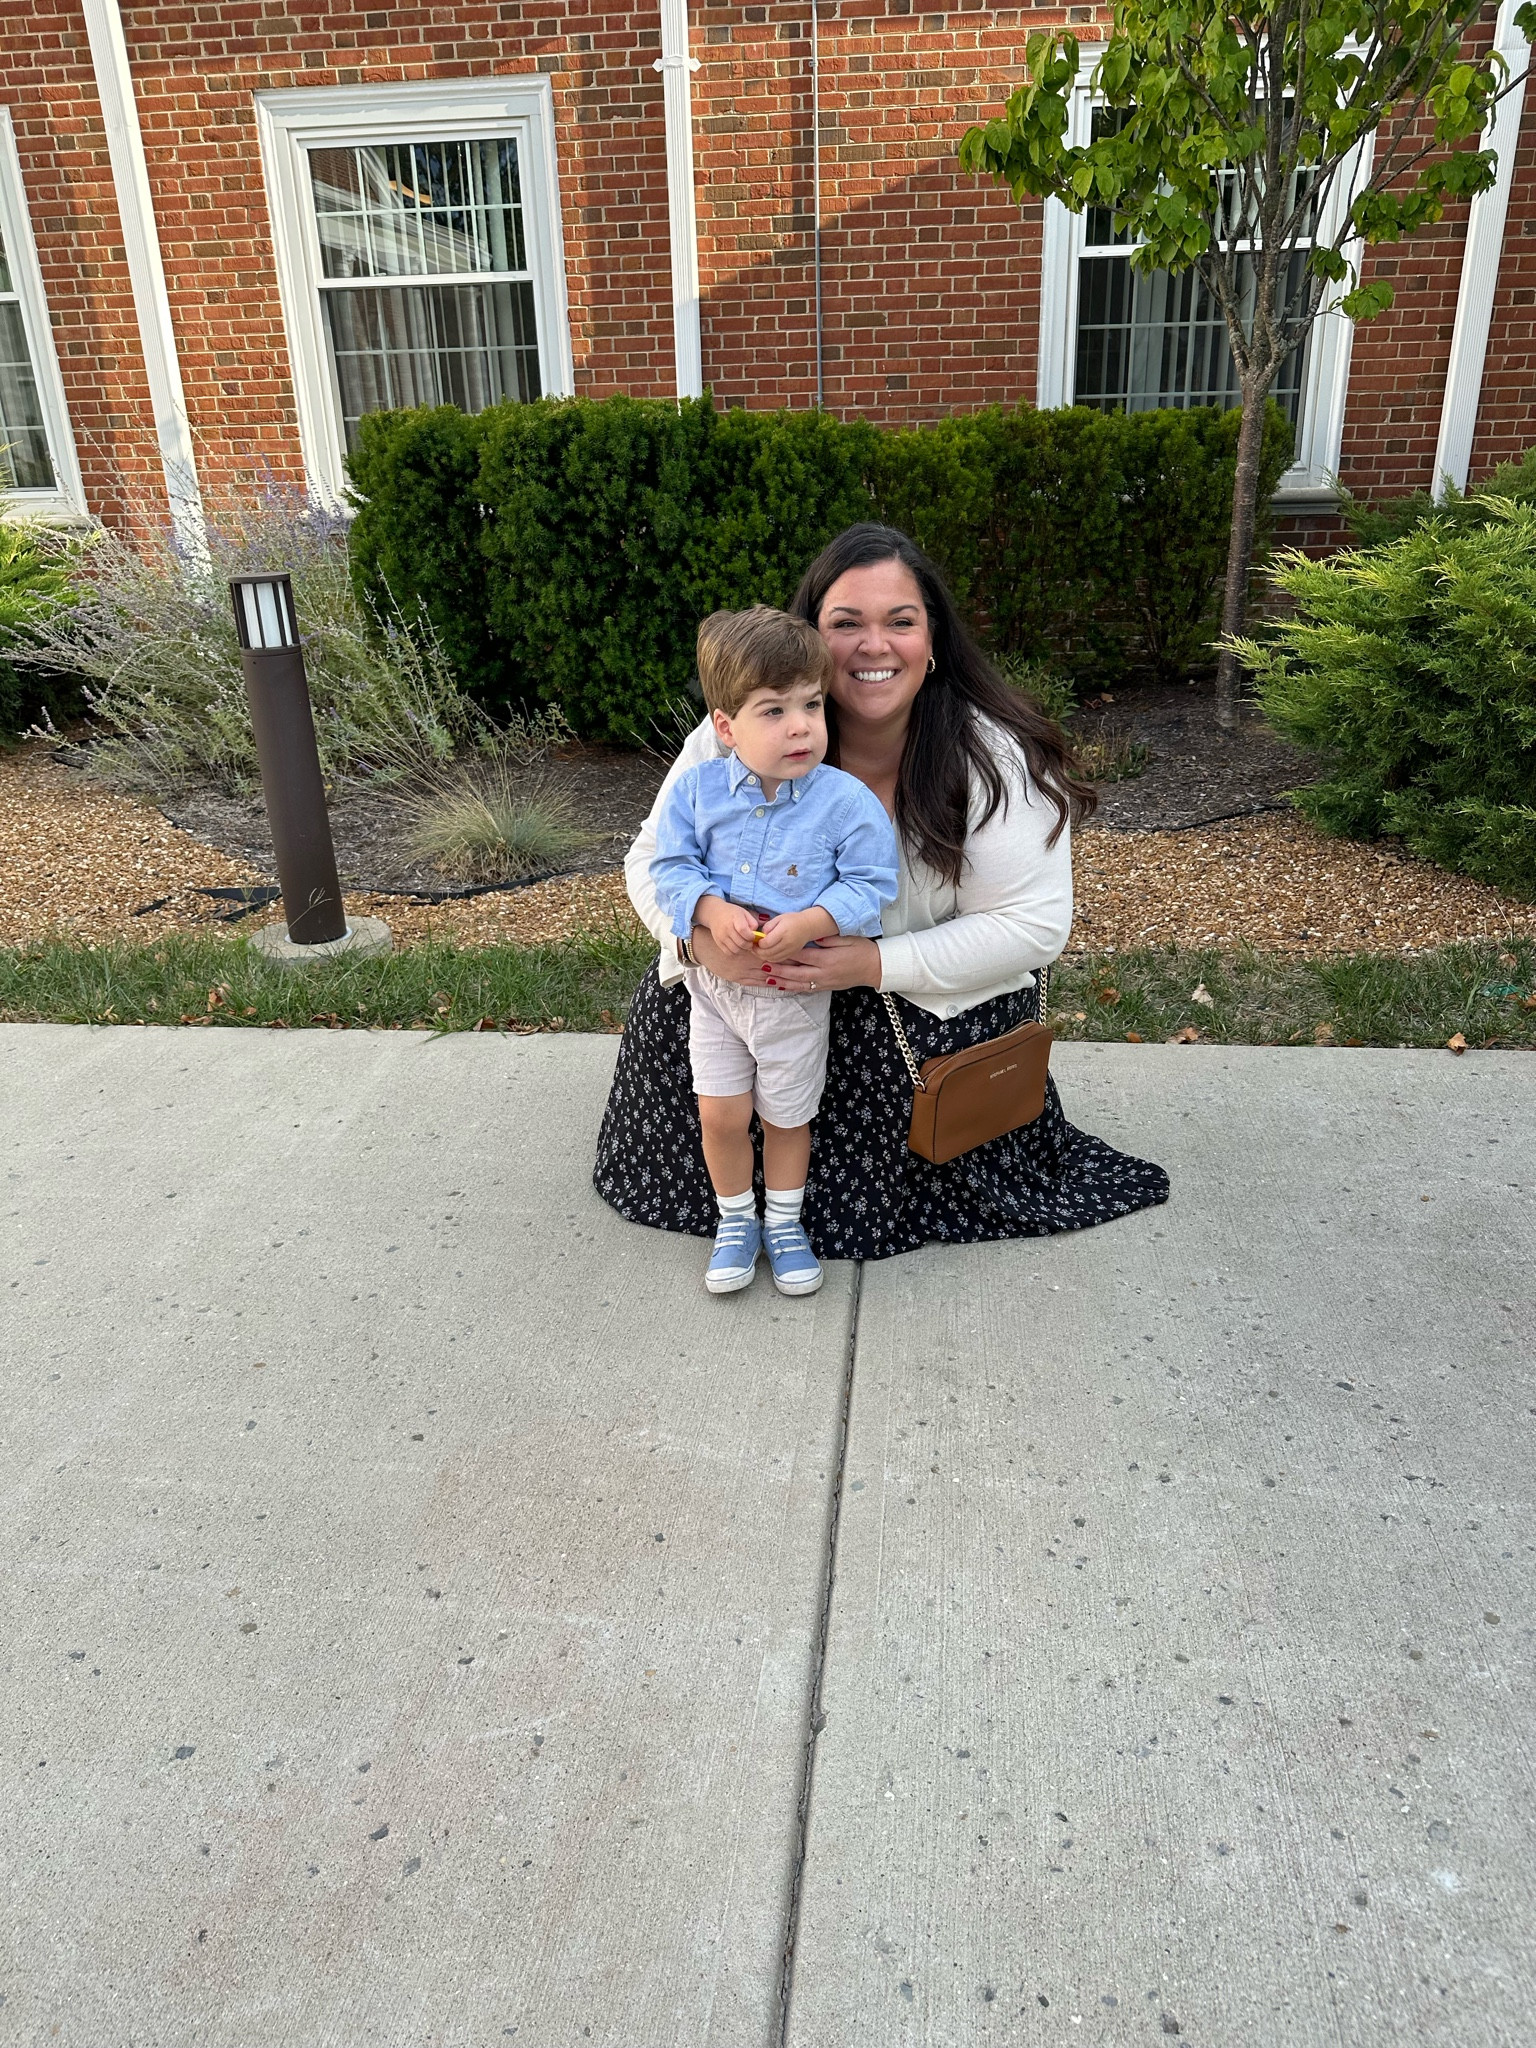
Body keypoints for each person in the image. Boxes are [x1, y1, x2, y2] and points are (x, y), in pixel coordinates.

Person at [595, 524, 1170, 1259]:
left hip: (912, 1019)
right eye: (845, 624)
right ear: (809, 638)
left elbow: (1033, 925)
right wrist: (699, 940)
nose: (875, 646)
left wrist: (870, 963)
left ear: (932, 642)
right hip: (741, 993)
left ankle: (803, 1210)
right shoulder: (736, 732)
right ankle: (739, 1210)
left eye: (900, 621)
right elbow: (652, 858)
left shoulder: (992, 757)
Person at [651, 605, 899, 1297]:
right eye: (773, 711)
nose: (800, 726)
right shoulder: (697, 792)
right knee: (720, 1114)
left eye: (811, 705)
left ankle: (785, 1223)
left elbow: (872, 882)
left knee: (787, 1116)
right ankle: (736, 1219)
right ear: (726, 727)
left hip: (794, 997)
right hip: (715, 997)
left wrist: (814, 920)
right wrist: (709, 909)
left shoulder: (844, 802)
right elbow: (669, 865)